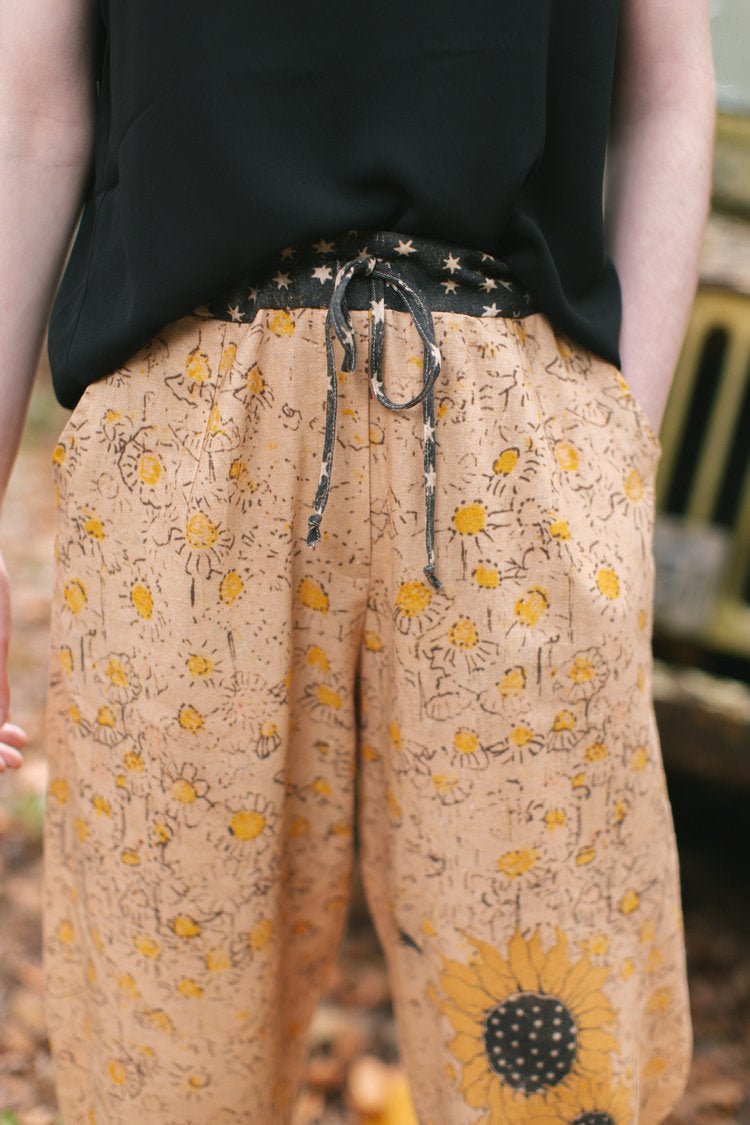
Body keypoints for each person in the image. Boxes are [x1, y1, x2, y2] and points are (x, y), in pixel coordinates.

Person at [0, 0, 716, 1122]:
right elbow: (34, 111)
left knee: (553, 1067)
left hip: (512, 444)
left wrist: (620, 449)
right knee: (161, 1063)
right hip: (184, 451)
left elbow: (668, 86)